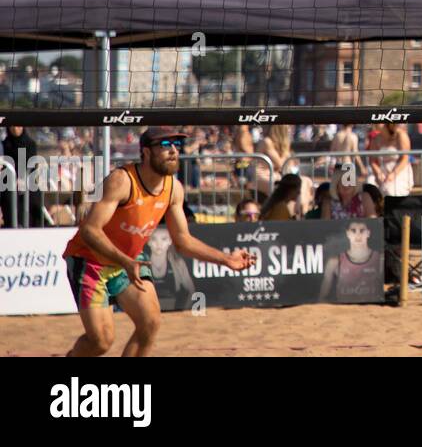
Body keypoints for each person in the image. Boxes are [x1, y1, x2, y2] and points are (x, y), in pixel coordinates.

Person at [63, 127, 254, 357]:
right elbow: (90, 231)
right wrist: (124, 261)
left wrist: (227, 259)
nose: (173, 151)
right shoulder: (122, 180)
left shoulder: (174, 188)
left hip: (128, 261)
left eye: (176, 145)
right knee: (101, 342)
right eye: (164, 146)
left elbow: (182, 241)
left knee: (150, 324)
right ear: (145, 152)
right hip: (91, 261)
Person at [319, 219, 383, 303]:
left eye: (362, 230)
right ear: (347, 233)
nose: (358, 235)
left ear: (368, 233)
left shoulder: (380, 260)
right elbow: (321, 298)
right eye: (353, 231)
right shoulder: (334, 262)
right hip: (344, 313)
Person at [0, 123, 40, 228]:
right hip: (8, 183)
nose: (15, 129)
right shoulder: (4, 145)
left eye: (18, 126)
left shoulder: (30, 144)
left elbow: (31, 165)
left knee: (31, 197)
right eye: (12, 126)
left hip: (27, 182)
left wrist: (22, 179)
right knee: (8, 196)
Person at [368, 121, 414, 197]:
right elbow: (372, 161)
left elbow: (405, 159)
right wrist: (378, 172)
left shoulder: (401, 135)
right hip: (382, 173)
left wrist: (392, 175)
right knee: (369, 184)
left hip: (399, 172)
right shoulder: (376, 139)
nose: (375, 123)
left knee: (390, 190)